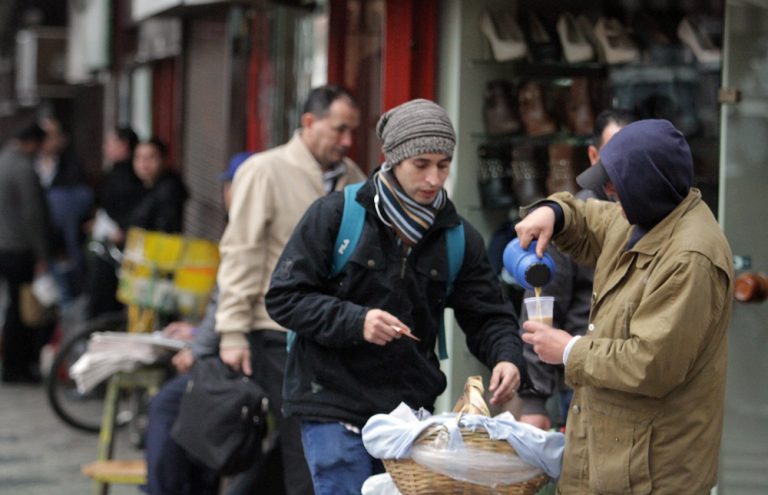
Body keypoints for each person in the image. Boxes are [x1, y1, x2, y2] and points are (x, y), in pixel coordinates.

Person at [265, 98, 529, 495]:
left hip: (408, 411)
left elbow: (488, 315)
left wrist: (506, 356)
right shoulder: (335, 215)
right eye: (421, 164)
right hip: (330, 401)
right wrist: (358, 321)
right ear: (391, 158)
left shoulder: (458, 236)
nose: (434, 179)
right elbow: (284, 297)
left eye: (443, 164)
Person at [516, 119, 733, 493]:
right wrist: (555, 211)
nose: (608, 190)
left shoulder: (691, 258)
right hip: (610, 456)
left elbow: (650, 364)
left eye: (616, 182)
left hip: (651, 470)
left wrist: (569, 350)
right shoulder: (647, 215)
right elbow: (591, 218)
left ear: (648, 185)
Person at [215, 85, 367, 495]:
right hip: (274, 330)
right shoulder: (264, 170)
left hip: (334, 332)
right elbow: (240, 251)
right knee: (305, 439)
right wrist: (231, 331)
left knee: (303, 440)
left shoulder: (353, 177)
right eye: (339, 130)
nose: (347, 141)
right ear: (308, 122)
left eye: (353, 131)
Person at [518, 109, 635, 431]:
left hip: (629, 380)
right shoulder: (571, 222)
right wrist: (534, 400)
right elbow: (541, 303)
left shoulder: (650, 217)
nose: (620, 170)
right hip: (580, 380)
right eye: (613, 155)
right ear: (593, 154)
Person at [0, 122, 51, 383]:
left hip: (3, 245)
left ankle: (11, 364)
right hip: (19, 248)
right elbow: (33, 215)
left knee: (11, 306)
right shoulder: (23, 168)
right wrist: (42, 253)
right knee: (22, 310)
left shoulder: (3, 161)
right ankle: (17, 366)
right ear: (32, 143)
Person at [85, 126, 144, 319]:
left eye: (111, 143)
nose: (105, 148)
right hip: (106, 246)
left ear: (124, 146)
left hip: (121, 250)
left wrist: (124, 229)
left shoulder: (131, 178)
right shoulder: (115, 173)